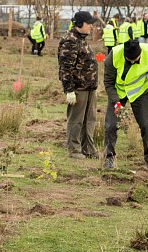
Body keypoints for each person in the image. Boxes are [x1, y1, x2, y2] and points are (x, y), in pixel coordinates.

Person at [103, 39, 148, 170]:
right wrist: (116, 102)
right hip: (118, 92)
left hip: (139, 91)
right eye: (130, 60)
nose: (133, 62)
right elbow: (108, 83)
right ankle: (108, 158)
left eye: (136, 60)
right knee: (111, 125)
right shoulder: (113, 56)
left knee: (146, 125)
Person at [58, 11, 98, 159]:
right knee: (76, 120)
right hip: (78, 88)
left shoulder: (81, 39)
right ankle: (74, 149)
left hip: (89, 87)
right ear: (80, 24)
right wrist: (69, 90)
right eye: (89, 24)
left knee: (90, 120)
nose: (91, 27)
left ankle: (88, 149)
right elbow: (65, 67)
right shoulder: (70, 40)